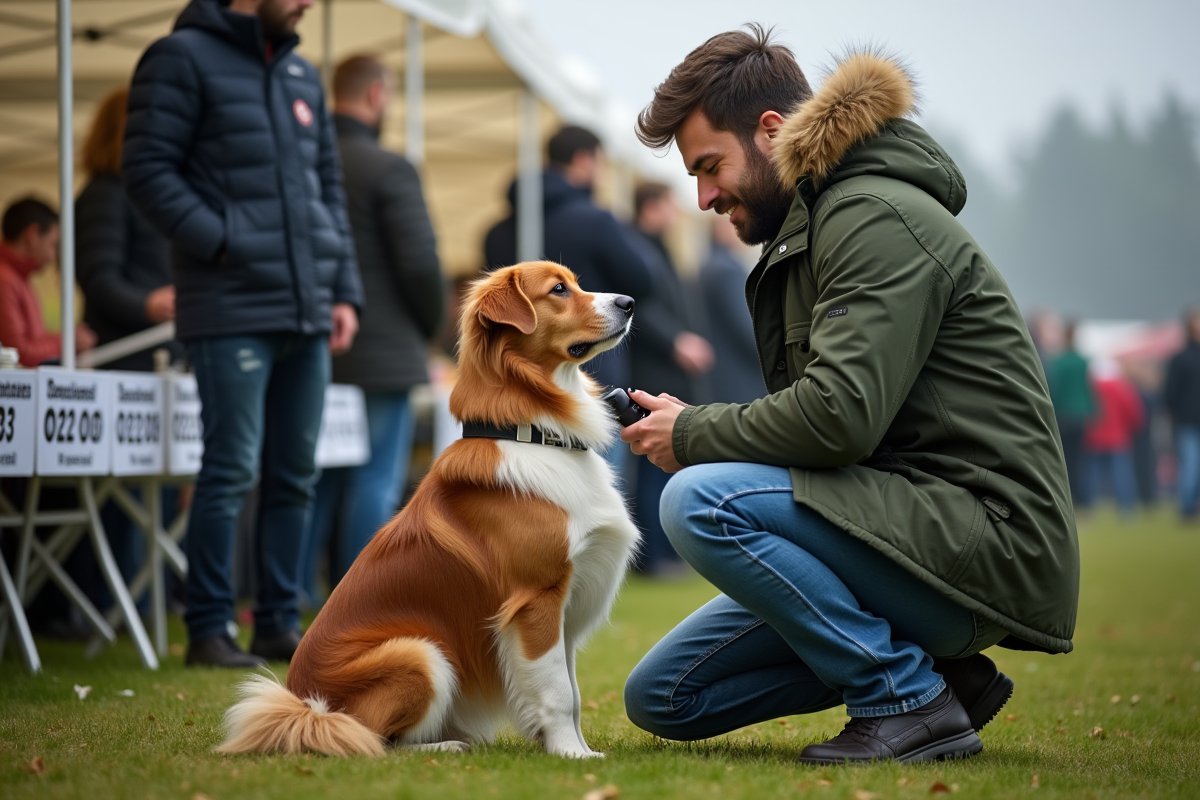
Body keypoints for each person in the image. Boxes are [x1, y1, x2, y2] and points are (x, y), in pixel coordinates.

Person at [620, 26, 1078, 764]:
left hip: (980, 541)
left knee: (699, 500)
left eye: (710, 167)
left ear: (770, 132)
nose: (703, 197)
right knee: (666, 697)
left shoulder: (872, 216)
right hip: (899, 528)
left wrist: (692, 433)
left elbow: (840, 418)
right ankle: (945, 679)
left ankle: (905, 697)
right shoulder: (815, 226)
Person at [123, 0, 363, 667]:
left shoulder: (301, 73)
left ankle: (280, 624)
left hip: (307, 309)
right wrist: (225, 242)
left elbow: (326, 189)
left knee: (293, 475)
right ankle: (207, 629)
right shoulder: (179, 58)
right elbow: (146, 171)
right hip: (227, 306)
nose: (308, 3)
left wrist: (344, 288)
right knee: (229, 470)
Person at [301, 55, 445, 602]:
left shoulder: (305, 162)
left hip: (315, 345)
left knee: (315, 479)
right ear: (377, 95)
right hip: (383, 352)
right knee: (373, 479)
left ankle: (294, 596)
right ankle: (363, 599)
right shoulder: (388, 167)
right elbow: (419, 263)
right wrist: (432, 327)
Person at [483, 125, 656, 394]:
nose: (602, 174)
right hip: (593, 377)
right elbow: (642, 281)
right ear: (583, 160)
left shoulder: (495, 233)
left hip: (514, 385)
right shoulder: (596, 221)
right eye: (601, 163)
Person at [628, 182, 713, 575]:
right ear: (652, 207)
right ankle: (655, 556)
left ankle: (665, 553)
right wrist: (678, 341)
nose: (678, 213)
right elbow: (642, 308)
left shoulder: (654, 247)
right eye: (670, 205)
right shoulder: (637, 249)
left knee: (662, 464)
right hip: (652, 373)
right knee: (652, 464)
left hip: (667, 373)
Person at [76, 87, 179, 373]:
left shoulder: (140, 194)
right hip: (125, 360)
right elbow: (99, 278)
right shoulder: (106, 194)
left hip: (154, 355)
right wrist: (148, 304)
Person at [0, 198, 96, 366]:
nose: (53, 256)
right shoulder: (6, 280)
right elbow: (16, 353)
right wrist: (68, 341)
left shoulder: (16, 278)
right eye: (53, 244)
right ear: (33, 235)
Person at [697, 214, 762, 405]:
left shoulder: (710, 265)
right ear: (721, 231)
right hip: (740, 378)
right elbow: (748, 329)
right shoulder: (727, 270)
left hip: (722, 376)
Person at [1081, 359, 1144, 516]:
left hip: (1094, 437)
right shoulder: (1121, 387)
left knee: (1092, 476)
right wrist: (1132, 428)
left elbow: (1084, 411)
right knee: (1121, 475)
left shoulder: (1090, 388)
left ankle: (1088, 508)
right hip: (1118, 437)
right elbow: (1132, 410)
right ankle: (1126, 509)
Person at [1045, 321, 1095, 507]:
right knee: (1079, 460)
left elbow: (1054, 390)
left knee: (1063, 460)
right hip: (1080, 416)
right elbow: (1089, 390)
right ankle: (1081, 500)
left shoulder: (1057, 362)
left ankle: (1067, 498)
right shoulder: (1083, 361)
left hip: (1062, 416)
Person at [1163, 307, 1200, 522]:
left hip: (1187, 418)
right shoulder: (1180, 358)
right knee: (1190, 466)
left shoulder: (1180, 358)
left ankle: (1192, 507)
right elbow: (1170, 393)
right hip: (1186, 421)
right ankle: (1187, 509)